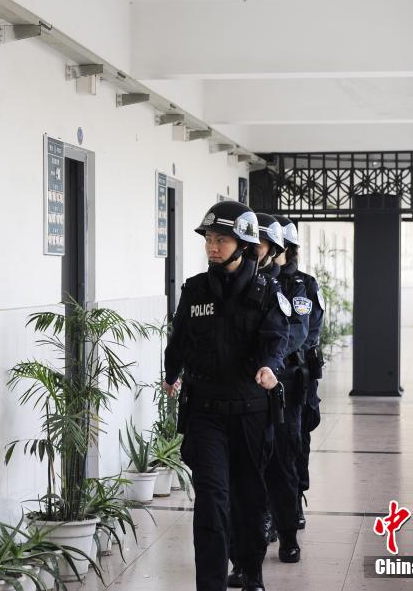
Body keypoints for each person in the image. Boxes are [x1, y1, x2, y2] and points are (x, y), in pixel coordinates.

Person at [163, 201, 291, 591]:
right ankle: (211, 584)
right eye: (210, 240)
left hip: (251, 413)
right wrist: (171, 373)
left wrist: (270, 367)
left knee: (249, 501)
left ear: (245, 243)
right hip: (205, 414)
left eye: (222, 240)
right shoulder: (195, 289)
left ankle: (251, 570)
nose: (213, 247)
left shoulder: (266, 291)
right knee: (212, 502)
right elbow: (180, 338)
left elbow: (277, 338)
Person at [256, 213, 310, 565]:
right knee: (250, 468)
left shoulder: (295, 288)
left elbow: (298, 332)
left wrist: (268, 364)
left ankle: (288, 533)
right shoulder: (245, 285)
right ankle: (258, 530)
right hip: (248, 389)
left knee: (283, 463)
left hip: (283, 387)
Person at [272, 215, 326, 532]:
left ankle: (293, 501)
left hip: (295, 377)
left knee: (295, 441)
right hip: (266, 377)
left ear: (289, 249)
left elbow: (303, 332)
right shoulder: (261, 281)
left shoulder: (303, 285)